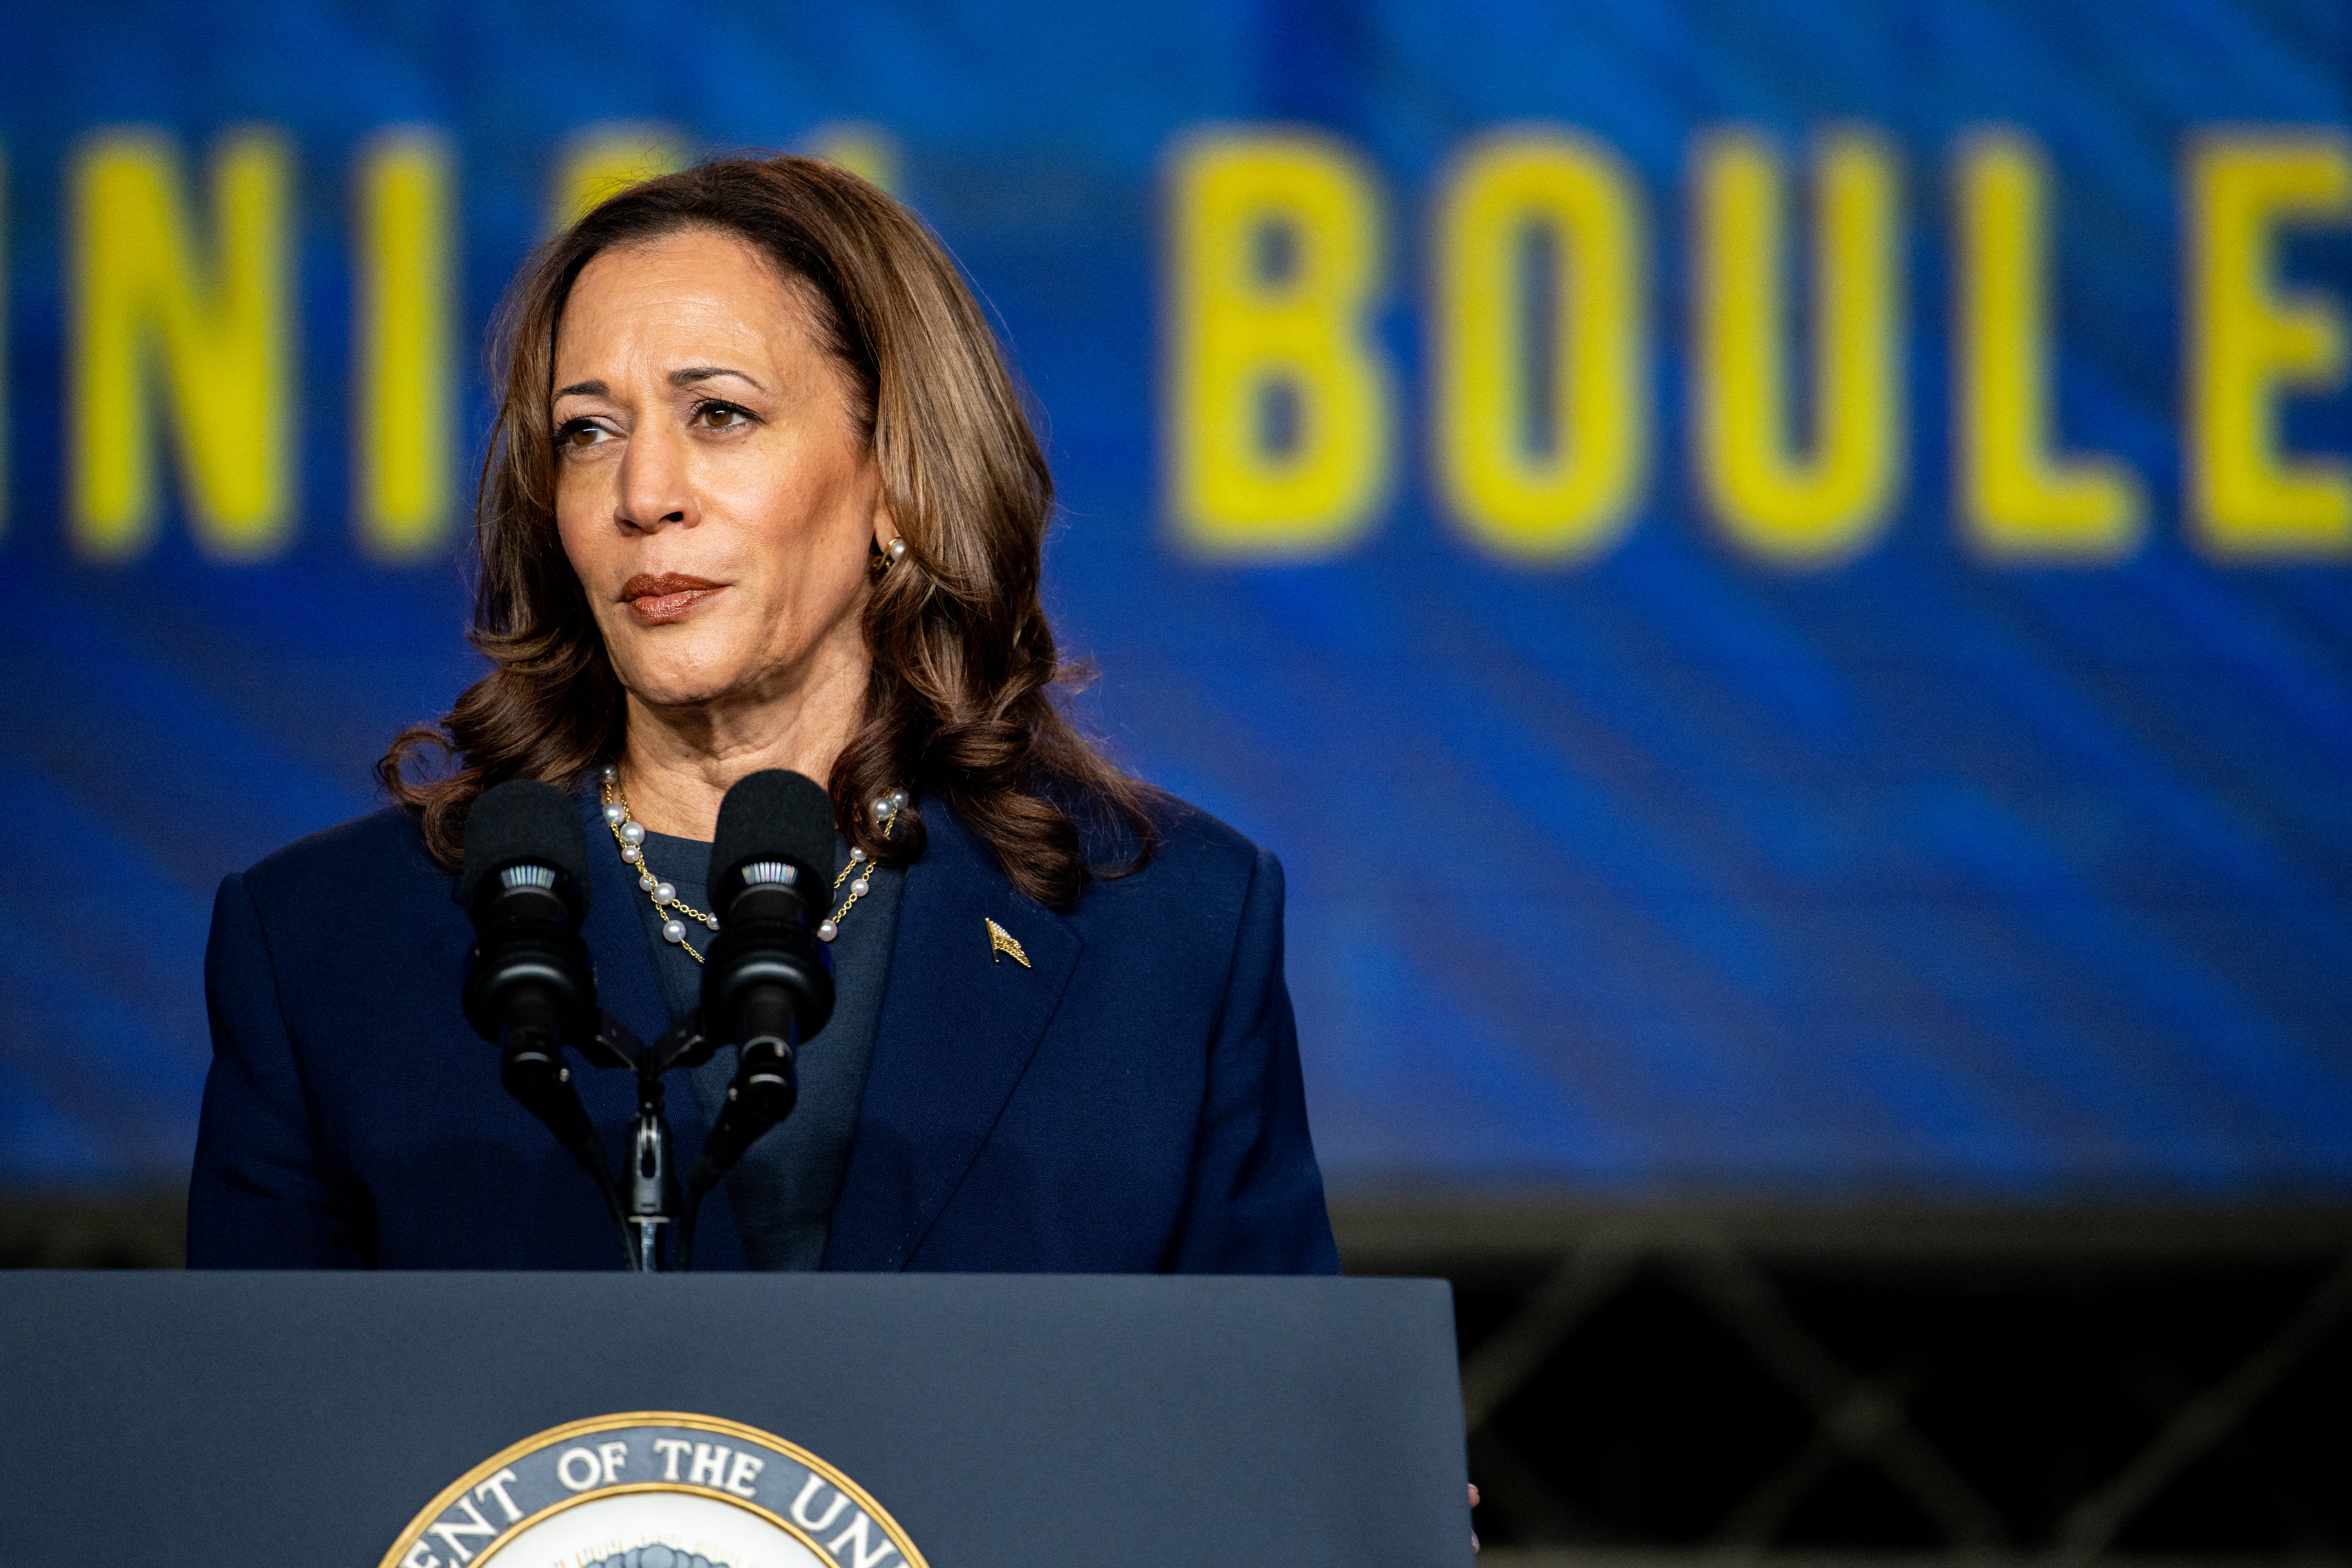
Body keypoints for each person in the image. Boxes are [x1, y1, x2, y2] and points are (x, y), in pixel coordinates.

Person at [188, 154, 1338, 1272]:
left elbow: (1264, 1395)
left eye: (720, 415)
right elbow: (255, 1402)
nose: (644, 495)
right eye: (588, 431)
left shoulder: (1171, 930)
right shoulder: (325, 948)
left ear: (898, 478)